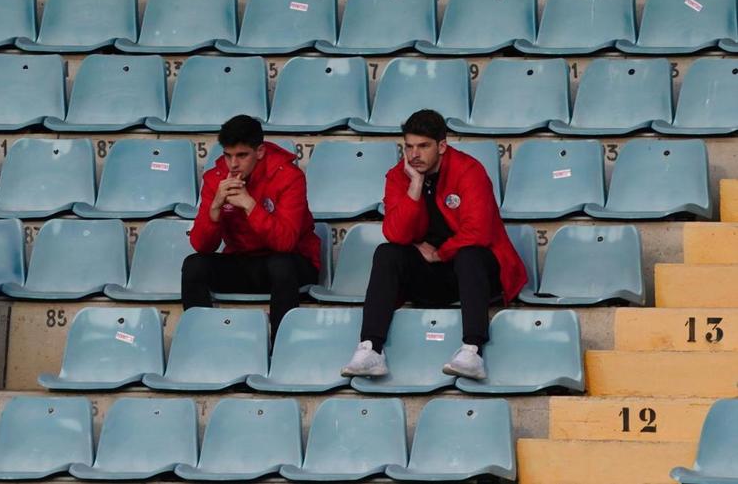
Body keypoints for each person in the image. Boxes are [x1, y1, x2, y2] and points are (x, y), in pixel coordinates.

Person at [341, 109, 527, 380]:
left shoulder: (468, 170)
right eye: (409, 147)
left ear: (442, 146)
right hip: (434, 278)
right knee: (387, 253)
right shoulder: (399, 176)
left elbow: (479, 232)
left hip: (478, 274)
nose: (414, 154)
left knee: (469, 255)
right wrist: (414, 186)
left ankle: (472, 351)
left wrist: (441, 253)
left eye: (423, 146)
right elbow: (395, 233)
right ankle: (370, 349)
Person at [181, 115, 320, 339]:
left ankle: (282, 346)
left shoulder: (289, 177)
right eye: (228, 155)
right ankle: (201, 341)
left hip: (294, 263)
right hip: (244, 262)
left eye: (242, 155)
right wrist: (214, 210)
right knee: (194, 265)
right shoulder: (215, 178)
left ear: (260, 152)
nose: (233, 164)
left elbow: (285, 243)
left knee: (281, 264)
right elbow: (201, 245)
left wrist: (250, 205)